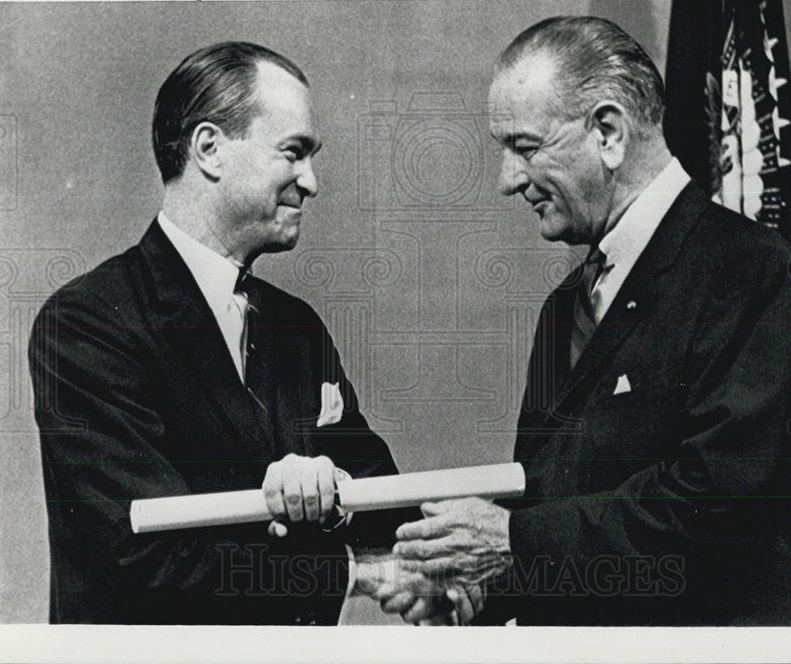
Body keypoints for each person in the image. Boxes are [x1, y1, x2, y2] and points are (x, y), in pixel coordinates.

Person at [393, 16, 791, 625]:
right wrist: (474, 588)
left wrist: (510, 545)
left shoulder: (751, 271)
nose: (507, 182)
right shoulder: (565, 308)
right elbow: (557, 503)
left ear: (608, 131)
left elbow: (716, 509)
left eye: (525, 148)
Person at [29, 42, 472, 625]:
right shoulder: (87, 324)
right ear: (209, 149)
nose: (311, 181)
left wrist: (337, 491)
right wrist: (353, 572)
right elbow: (145, 559)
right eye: (294, 153)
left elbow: (379, 497)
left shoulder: (297, 327)